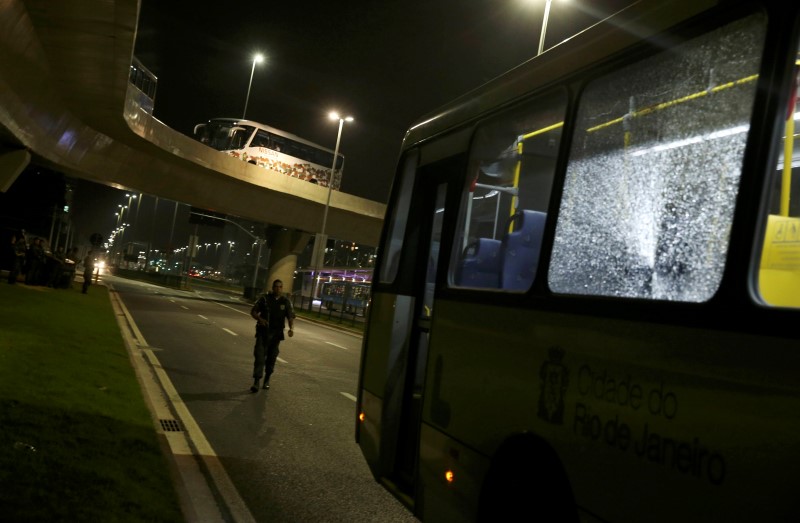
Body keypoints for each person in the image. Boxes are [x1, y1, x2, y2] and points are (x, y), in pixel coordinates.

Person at [249, 279, 295, 392]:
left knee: (271, 358)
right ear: (272, 287)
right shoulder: (264, 299)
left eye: (280, 287)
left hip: (276, 335)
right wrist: (260, 319)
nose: (278, 289)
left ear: (282, 288)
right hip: (262, 333)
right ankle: (256, 381)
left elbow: (290, 316)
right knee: (259, 356)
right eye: (276, 287)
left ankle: (267, 379)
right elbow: (253, 312)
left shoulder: (286, 302)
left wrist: (291, 328)